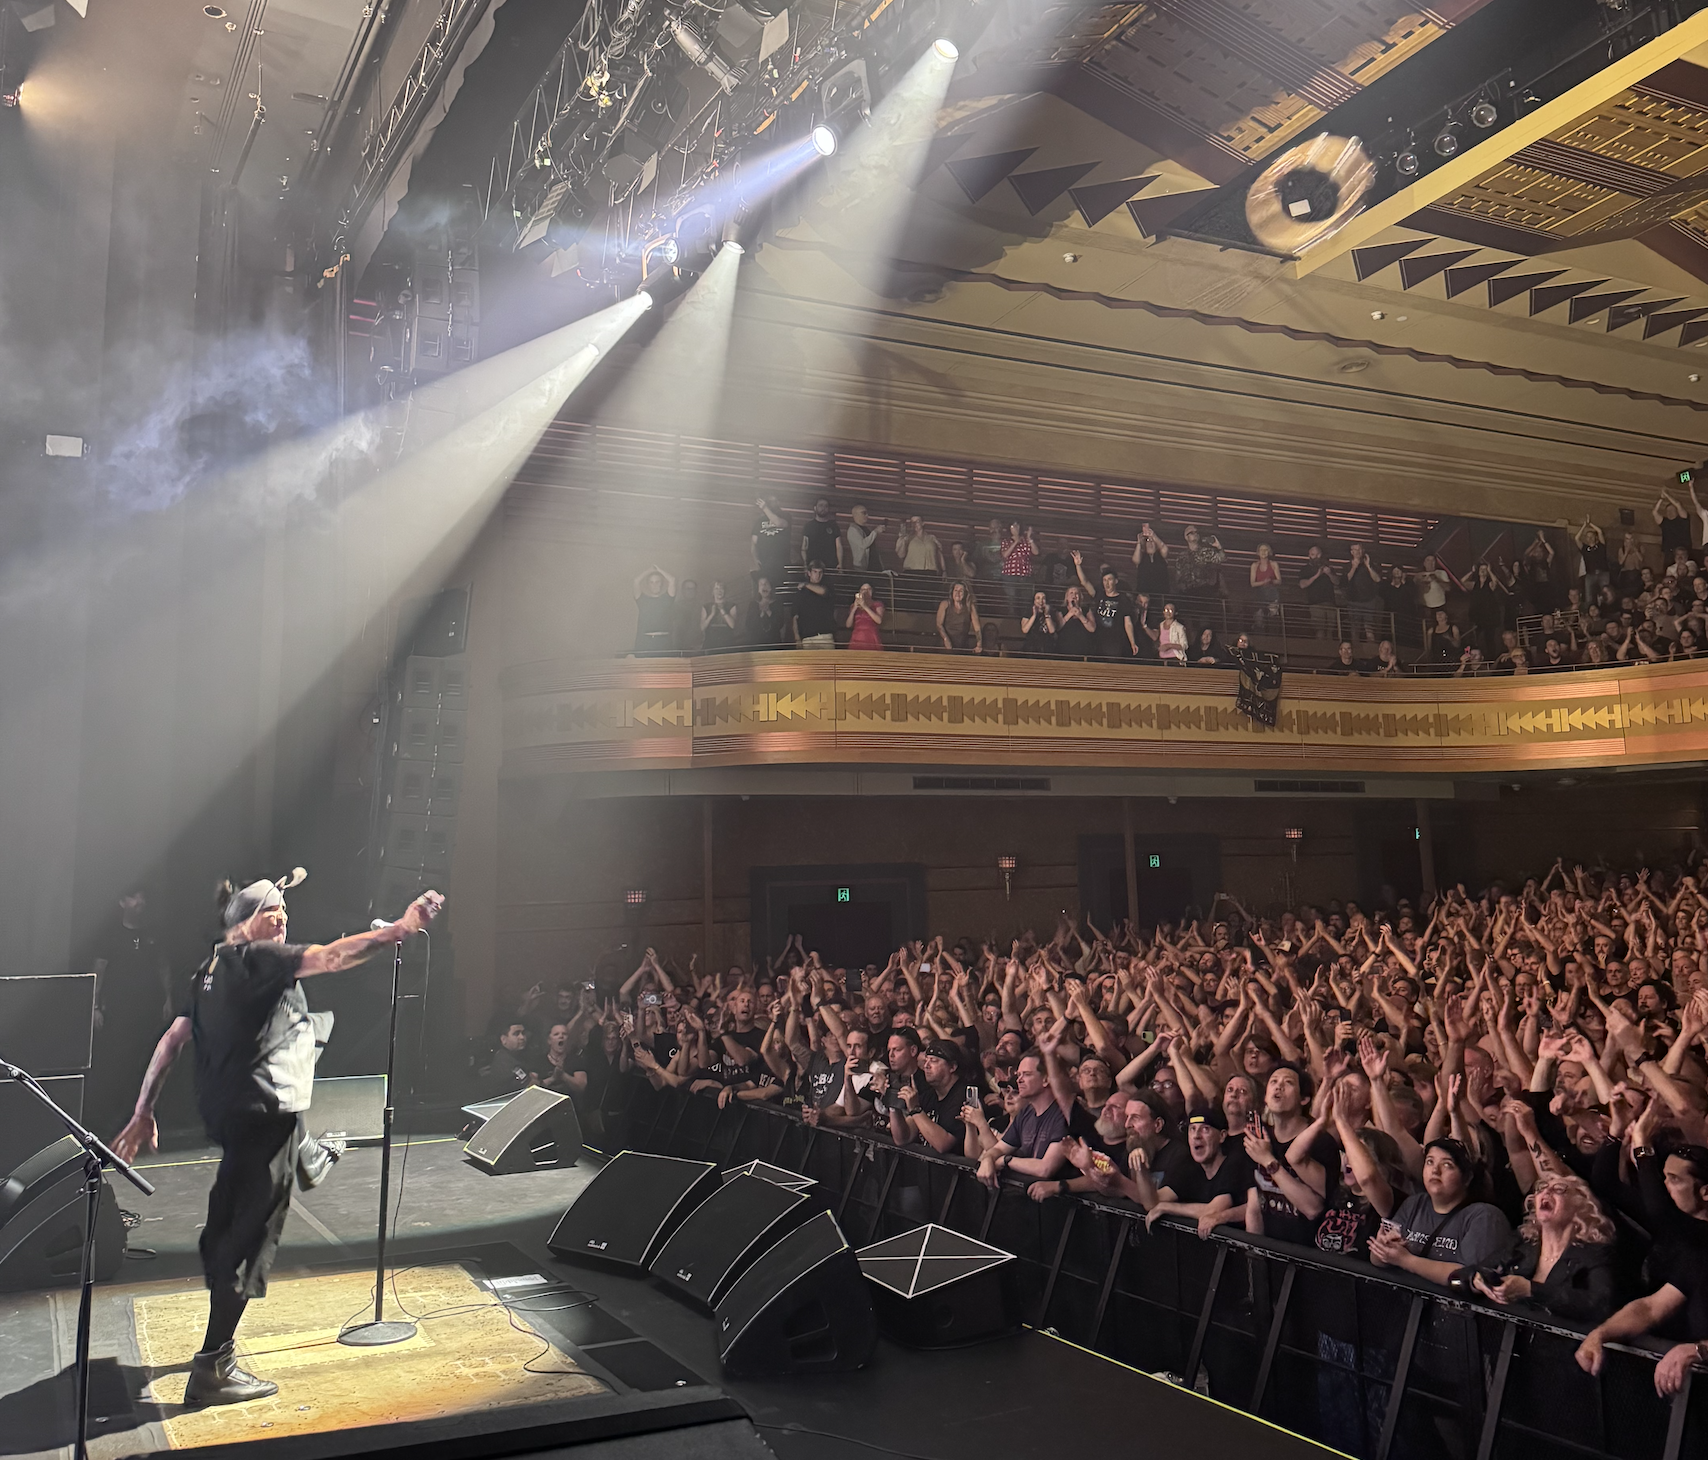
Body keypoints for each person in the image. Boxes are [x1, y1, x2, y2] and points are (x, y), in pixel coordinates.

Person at [113, 876, 443, 1406]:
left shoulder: (208, 971)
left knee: (226, 1233)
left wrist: (143, 1108)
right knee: (245, 1242)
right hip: (263, 1118)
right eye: (274, 910)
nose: (283, 917)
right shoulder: (257, 958)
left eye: (286, 908)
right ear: (247, 918)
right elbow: (334, 958)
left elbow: (173, 1039)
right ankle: (213, 1366)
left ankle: (307, 1152)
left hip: (238, 1118)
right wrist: (399, 931)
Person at [1473, 1172, 1616, 1324]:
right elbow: (1466, 1274)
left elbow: (1600, 1305)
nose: (1545, 1192)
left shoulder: (1596, 1254)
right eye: (1541, 1188)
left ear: (1581, 1207)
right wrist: (1476, 1283)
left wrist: (1531, 1290)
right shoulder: (1521, 1243)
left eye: (1559, 1189)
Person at [87, 887, 175, 1134]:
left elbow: (162, 966)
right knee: (116, 1064)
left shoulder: (152, 934)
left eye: (142, 897)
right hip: (117, 1012)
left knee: (145, 1064)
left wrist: (168, 998)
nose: (140, 902)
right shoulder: (111, 935)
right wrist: (94, 1007)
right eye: (135, 897)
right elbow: (99, 971)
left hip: (146, 1011)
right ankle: (110, 1120)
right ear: (122, 902)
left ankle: (139, 1116)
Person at [1368, 1138, 1512, 1287]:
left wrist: (1406, 1260)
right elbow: (1377, 1261)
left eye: (1447, 1165)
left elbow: (1470, 1278)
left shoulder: (1485, 1217)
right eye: (1430, 1162)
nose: (1435, 1170)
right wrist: (1383, 1248)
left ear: (1467, 1178)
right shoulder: (1414, 1203)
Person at [976, 1051, 1067, 1189]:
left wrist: (1006, 1161)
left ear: (1046, 1079)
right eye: (1018, 1075)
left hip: (1057, 1204)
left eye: (1027, 1074)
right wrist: (988, 1159)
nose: (1019, 1080)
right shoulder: (1026, 1113)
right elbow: (999, 1148)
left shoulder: (1064, 1114)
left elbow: (1045, 1169)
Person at [1074, 553, 1139, 659]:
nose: (1107, 583)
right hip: (1097, 640)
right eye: (1105, 580)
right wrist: (1078, 565)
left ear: (1116, 581)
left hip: (1115, 642)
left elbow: (1128, 623)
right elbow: (1084, 582)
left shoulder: (1123, 599)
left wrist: (1132, 642)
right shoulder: (1099, 594)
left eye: (1109, 580)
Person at [632, 565, 677, 654]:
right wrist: (649, 571)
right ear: (648, 584)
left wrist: (659, 570)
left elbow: (672, 580)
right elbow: (636, 581)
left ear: (661, 583)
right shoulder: (642, 599)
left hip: (664, 642)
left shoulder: (667, 599)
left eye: (657, 582)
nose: (654, 585)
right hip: (645, 642)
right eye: (651, 582)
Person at [792, 562, 837, 649]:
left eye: (820, 572)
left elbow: (823, 592)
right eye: (815, 572)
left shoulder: (828, 587)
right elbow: (795, 616)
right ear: (809, 573)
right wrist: (797, 637)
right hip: (807, 637)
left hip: (825, 635)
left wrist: (806, 584)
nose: (818, 575)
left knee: (829, 662)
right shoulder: (800, 592)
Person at [1344, 543, 1384, 642]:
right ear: (1351, 552)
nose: (1358, 552)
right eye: (1355, 550)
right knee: (1355, 629)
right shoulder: (1347, 566)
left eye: (1359, 549)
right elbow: (1344, 581)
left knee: (1369, 629)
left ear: (1363, 551)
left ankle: (1371, 651)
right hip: (1353, 601)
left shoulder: (1371, 564)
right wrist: (1354, 567)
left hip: (1369, 601)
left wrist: (1368, 566)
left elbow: (1378, 579)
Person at [752, 496, 791, 588]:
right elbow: (753, 543)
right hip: (764, 564)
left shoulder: (786, 516)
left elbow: (779, 523)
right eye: (769, 501)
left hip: (781, 564)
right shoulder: (759, 520)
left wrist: (765, 508)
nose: (771, 503)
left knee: (778, 590)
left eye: (774, 501)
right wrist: (755, 559)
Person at [1300, 546, 1338, 639]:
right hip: (1315, 603)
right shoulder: (1305, 569)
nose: (1316, 557)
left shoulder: (1329, 568)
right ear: (1309, 555)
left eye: (1318, 554)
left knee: (1330, 630)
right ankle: (1320, 649)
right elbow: (1302, 584)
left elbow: (1337, 582)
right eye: (1313, 554)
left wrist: (1329, 573)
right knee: (1319, 629)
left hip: (1330, 602)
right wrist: (1317, 575)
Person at [1000, 522, 1037, 615]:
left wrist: (1029, 538)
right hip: (1010, 575)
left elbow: (1036, 552)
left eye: (1017, 526)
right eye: (1013, 526)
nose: (1015, 528)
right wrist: (1016, 542)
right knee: (1011, 598)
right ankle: (1012, 619)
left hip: (1025, 575)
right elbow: (1005, 555)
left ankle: (1024, 619)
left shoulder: (1026, 541)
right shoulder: (1006, 541)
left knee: (1026, 600)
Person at [937, 580, 983, 652]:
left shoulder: (969, 607)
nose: (958, 593)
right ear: (952, 592)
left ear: (965, 594)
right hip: (945, 644)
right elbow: (939, 625)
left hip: (962, 644)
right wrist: (946, 639)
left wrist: (979, 644)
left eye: (961, 591)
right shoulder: (945, 604)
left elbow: (977, 627)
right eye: (956, 590)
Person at [742, 576, 787, 646]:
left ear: (771, 587)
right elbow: (748, 625)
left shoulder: (777, 603)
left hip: (774, 643)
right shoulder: (753, 604)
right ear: (758, 589)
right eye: (761, 584)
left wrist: (768, 611)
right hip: (756, 643)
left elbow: (780, 623)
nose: (763, 586)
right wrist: (761, 614)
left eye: (766, 583)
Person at [802, 498, 844, 571]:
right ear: (815, 508)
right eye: (821, 505)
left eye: (826, 506)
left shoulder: (834, 526)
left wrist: (840, 563)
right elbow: (804, 546)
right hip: (813, 565)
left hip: (831, 565)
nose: (823, 508)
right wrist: (805, 564)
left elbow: (839, 546)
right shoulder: (808, 526)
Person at [1056, 585, 1097, 658]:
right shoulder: (1061, 610)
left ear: (1080, 597)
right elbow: (1057, 627)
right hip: (1064, 649)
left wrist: (1081, 616)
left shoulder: (1086, 610)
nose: (1074, 595)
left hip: (1083, 650)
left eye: (1076, 593)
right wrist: (1069, 614)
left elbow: (1092, 628)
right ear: (1067, 598)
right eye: (1071, 593)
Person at [1248, 543, 1281, 632]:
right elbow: (1252, 583)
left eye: (1266, 550)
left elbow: (1279, 580)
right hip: (1259, 594)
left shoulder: (1274, 564)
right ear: (1258, 552)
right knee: (1259, 616)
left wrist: (1271, 581)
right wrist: (1263, 582)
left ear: (1269, 552)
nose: (1263, 552)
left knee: (1273, 616)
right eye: (1261, 550)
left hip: (1272, 593)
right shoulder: (1254, 566)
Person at [1133, 524, 1170, 599]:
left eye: (1152, 541)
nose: (1150, 543)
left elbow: (1165, 549)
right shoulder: (1142, 557)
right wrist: (1139, 542)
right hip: (1144, 597)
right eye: (1147, 541)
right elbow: (1135, 560)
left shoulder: (1161, 556)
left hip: (1161, 595)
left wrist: (1153, 535)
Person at [701, 581, 739, 652]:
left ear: (725, 591)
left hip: (727, 644)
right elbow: (702, 627)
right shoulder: (706, 606)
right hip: (710, 644)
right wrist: (712, 614)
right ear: (712, 591)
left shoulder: (731, 605)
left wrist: (722, 610)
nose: (719, 591)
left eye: (721, 588)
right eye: (716, 588)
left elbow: (733, 625)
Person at [846, 583, 885, 650]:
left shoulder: (877, 604)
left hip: (871, 636)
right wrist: (854, 608)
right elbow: (848, 625)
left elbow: (879, 621)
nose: (865, 591)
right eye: (863, 589)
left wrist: (865, 606)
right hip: (857, 637)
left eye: (868, 589)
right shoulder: (853, 605)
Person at [846, 504, 883, 572]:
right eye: (864, 513)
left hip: (874, 565)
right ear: (855, 514)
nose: (867, 516)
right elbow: (863, 544)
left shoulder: (866, 529)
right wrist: (875, 531)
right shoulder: (852, 530)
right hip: (863, 568)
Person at [1021, 590, 1056, 655]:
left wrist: (1047, 614)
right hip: (1031, 647)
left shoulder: (1051, 612)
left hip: (1047, 647)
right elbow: (1025, 630)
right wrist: (1034, 615)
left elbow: (1052, 630)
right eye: (1038, 598)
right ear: (1034, 601)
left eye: (1043, 598)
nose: (1041, 601)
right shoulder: (1028, 612)